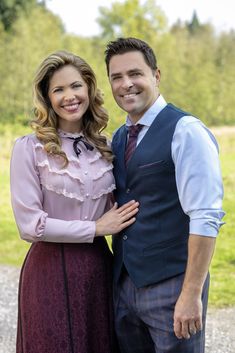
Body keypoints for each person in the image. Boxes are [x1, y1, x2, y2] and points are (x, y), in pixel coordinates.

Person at [10, 50, 139, 353]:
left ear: (89, 89)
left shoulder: (107, 146)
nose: (70, 96)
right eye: (59, 89)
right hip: (48, 269)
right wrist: (95, 228)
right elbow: (30, 226)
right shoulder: (29, 148)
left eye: (76, 86)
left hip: (98, 269)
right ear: (47, 97)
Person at [104, 37, 225, 353]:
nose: (126, 84)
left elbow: (205, 216)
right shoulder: (118, 138)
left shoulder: (186, 131)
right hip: (126, 285)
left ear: (156, 76)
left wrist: (191, 293)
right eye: (116, 77)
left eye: (135, 74)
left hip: (173, 286)